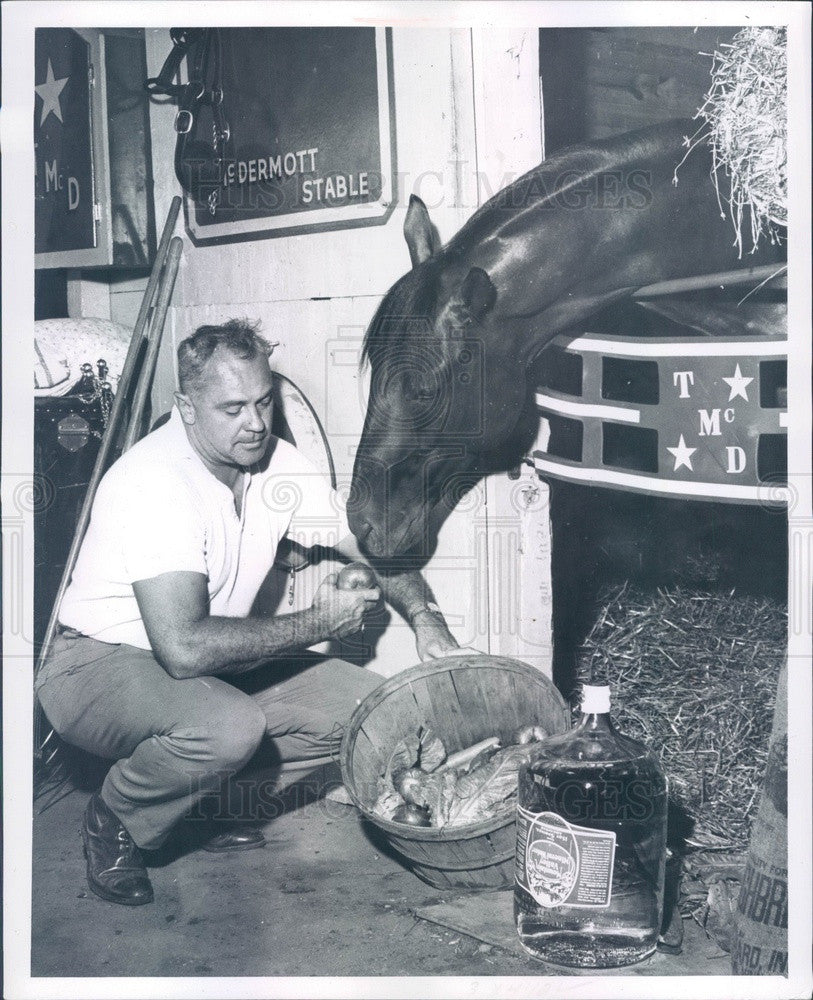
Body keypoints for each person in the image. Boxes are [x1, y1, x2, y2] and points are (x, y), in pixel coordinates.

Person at [35, 319, 461, 906]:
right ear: (186, 407)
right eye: (232, 408)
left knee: (370, 712)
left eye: (263, 401)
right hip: (95, 664)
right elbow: (182, 650)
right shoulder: (155, 482)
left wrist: (426, 616)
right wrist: (317, 624)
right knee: (227, 725)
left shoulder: (276, 463)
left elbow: (367, 547)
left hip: (197, 665)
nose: (255, 423)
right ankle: (116, 820)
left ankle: (205, 809)